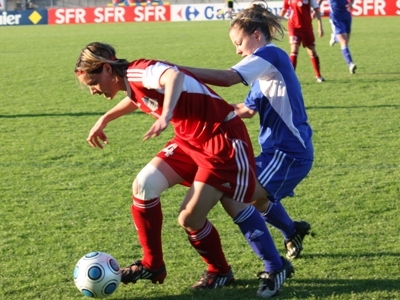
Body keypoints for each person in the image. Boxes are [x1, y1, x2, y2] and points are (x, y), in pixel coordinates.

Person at [74, 42, 293, 298]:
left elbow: (174, 75)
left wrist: (166, 115)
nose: (93, 91)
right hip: (189, 141)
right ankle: (152, 265)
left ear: (107, 70)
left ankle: (266, 267)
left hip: (220, 141)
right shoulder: (130, 83)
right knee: (144, 185)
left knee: (202, 214)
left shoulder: (138, 71)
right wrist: (104, 119)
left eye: (93, 83)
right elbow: (137, 98)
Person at [180, 1, 314, 261]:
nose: (239, 51)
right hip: (275, 152)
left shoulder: (272, 56)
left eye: (239, 43)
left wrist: (179, 71)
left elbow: (228, 78)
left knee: (236, 192)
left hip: (290, 153)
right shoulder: (263, 73)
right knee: (249, 196)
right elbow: (246, 109)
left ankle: (273, 262)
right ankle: (291, 231)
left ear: (256, 35)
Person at [279, 0, 325, 82]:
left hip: (307, 28)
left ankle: (318, 75)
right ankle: (290, 77)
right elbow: (284, 10)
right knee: (294, 50)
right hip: (294, 27)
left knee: (312, 51)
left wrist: (320, 27)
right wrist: (277, 22)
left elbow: (317, 10)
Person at [318, 0, 357, 74]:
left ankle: (335, 37)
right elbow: (319, 1)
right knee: (344, 42)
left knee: (346, 41)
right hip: (336, 18)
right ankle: (350, 64)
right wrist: (315, 10)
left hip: (346, 16)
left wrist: (351, 3)